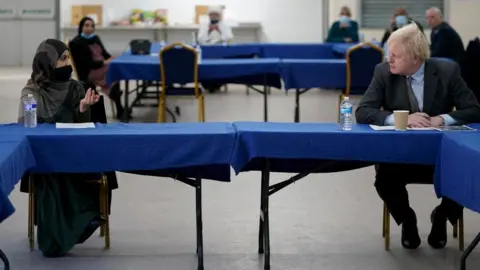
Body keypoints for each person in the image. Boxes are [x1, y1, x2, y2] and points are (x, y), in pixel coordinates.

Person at [356, 24, 480, 250]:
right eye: (389, 54)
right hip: (400, 155)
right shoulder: (383, 72)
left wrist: (441, 119)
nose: (389, 59)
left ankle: (442, 216)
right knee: (384, 178)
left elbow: (473, 109)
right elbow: (363, 111)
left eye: (395, 55)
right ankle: (407, 219)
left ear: (415, 58)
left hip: (442, 155)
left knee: (466, 171)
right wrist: (401, 119)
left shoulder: (447, 71)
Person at [18, 39, 107, 257]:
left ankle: (71, 226)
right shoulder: (32, 90)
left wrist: (83, 107)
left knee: (65, 170)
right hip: (44, 156)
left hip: (72, 152)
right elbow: (26, 127)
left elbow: (81, 127)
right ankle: (72, 224)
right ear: (47, 62)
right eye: (62, 59)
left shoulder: (76, 87)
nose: (68, 63)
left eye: (68, 58)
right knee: (53, 174)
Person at [69, 17, 128, 120]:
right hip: (89, 71)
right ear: (81, 27)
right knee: (112, 72)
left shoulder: (95, 38)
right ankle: (116, 99)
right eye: (87, 25)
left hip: (101, 67)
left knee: (114, 67)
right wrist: (105, 62)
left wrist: (111, 59)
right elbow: (86, 63)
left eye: (92, 26)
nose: (89, 28)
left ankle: (117, 100)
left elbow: (104, 53)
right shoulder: (76, 42)